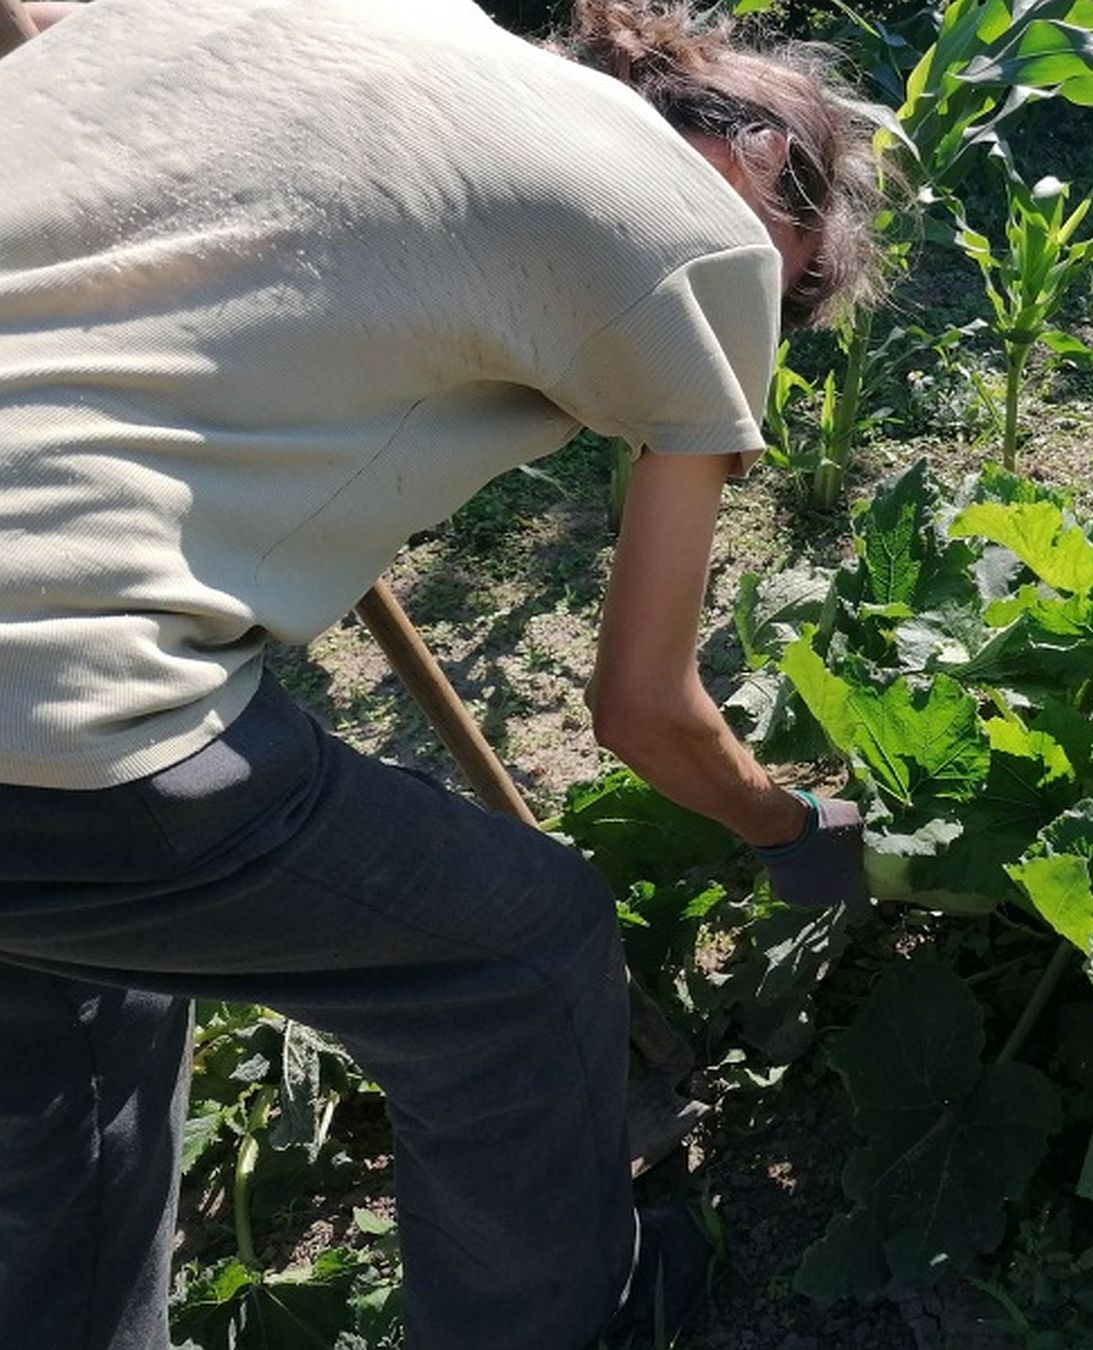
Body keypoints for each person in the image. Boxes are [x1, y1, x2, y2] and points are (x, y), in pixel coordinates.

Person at [0, 0, 878, 1345]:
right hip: (48, 687)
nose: (769, 316)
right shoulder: (707, 245)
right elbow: (644, 710)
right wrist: (787, 823)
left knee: (80, 981)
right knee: (520, 955)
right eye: (797, 287)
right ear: (764, 182)